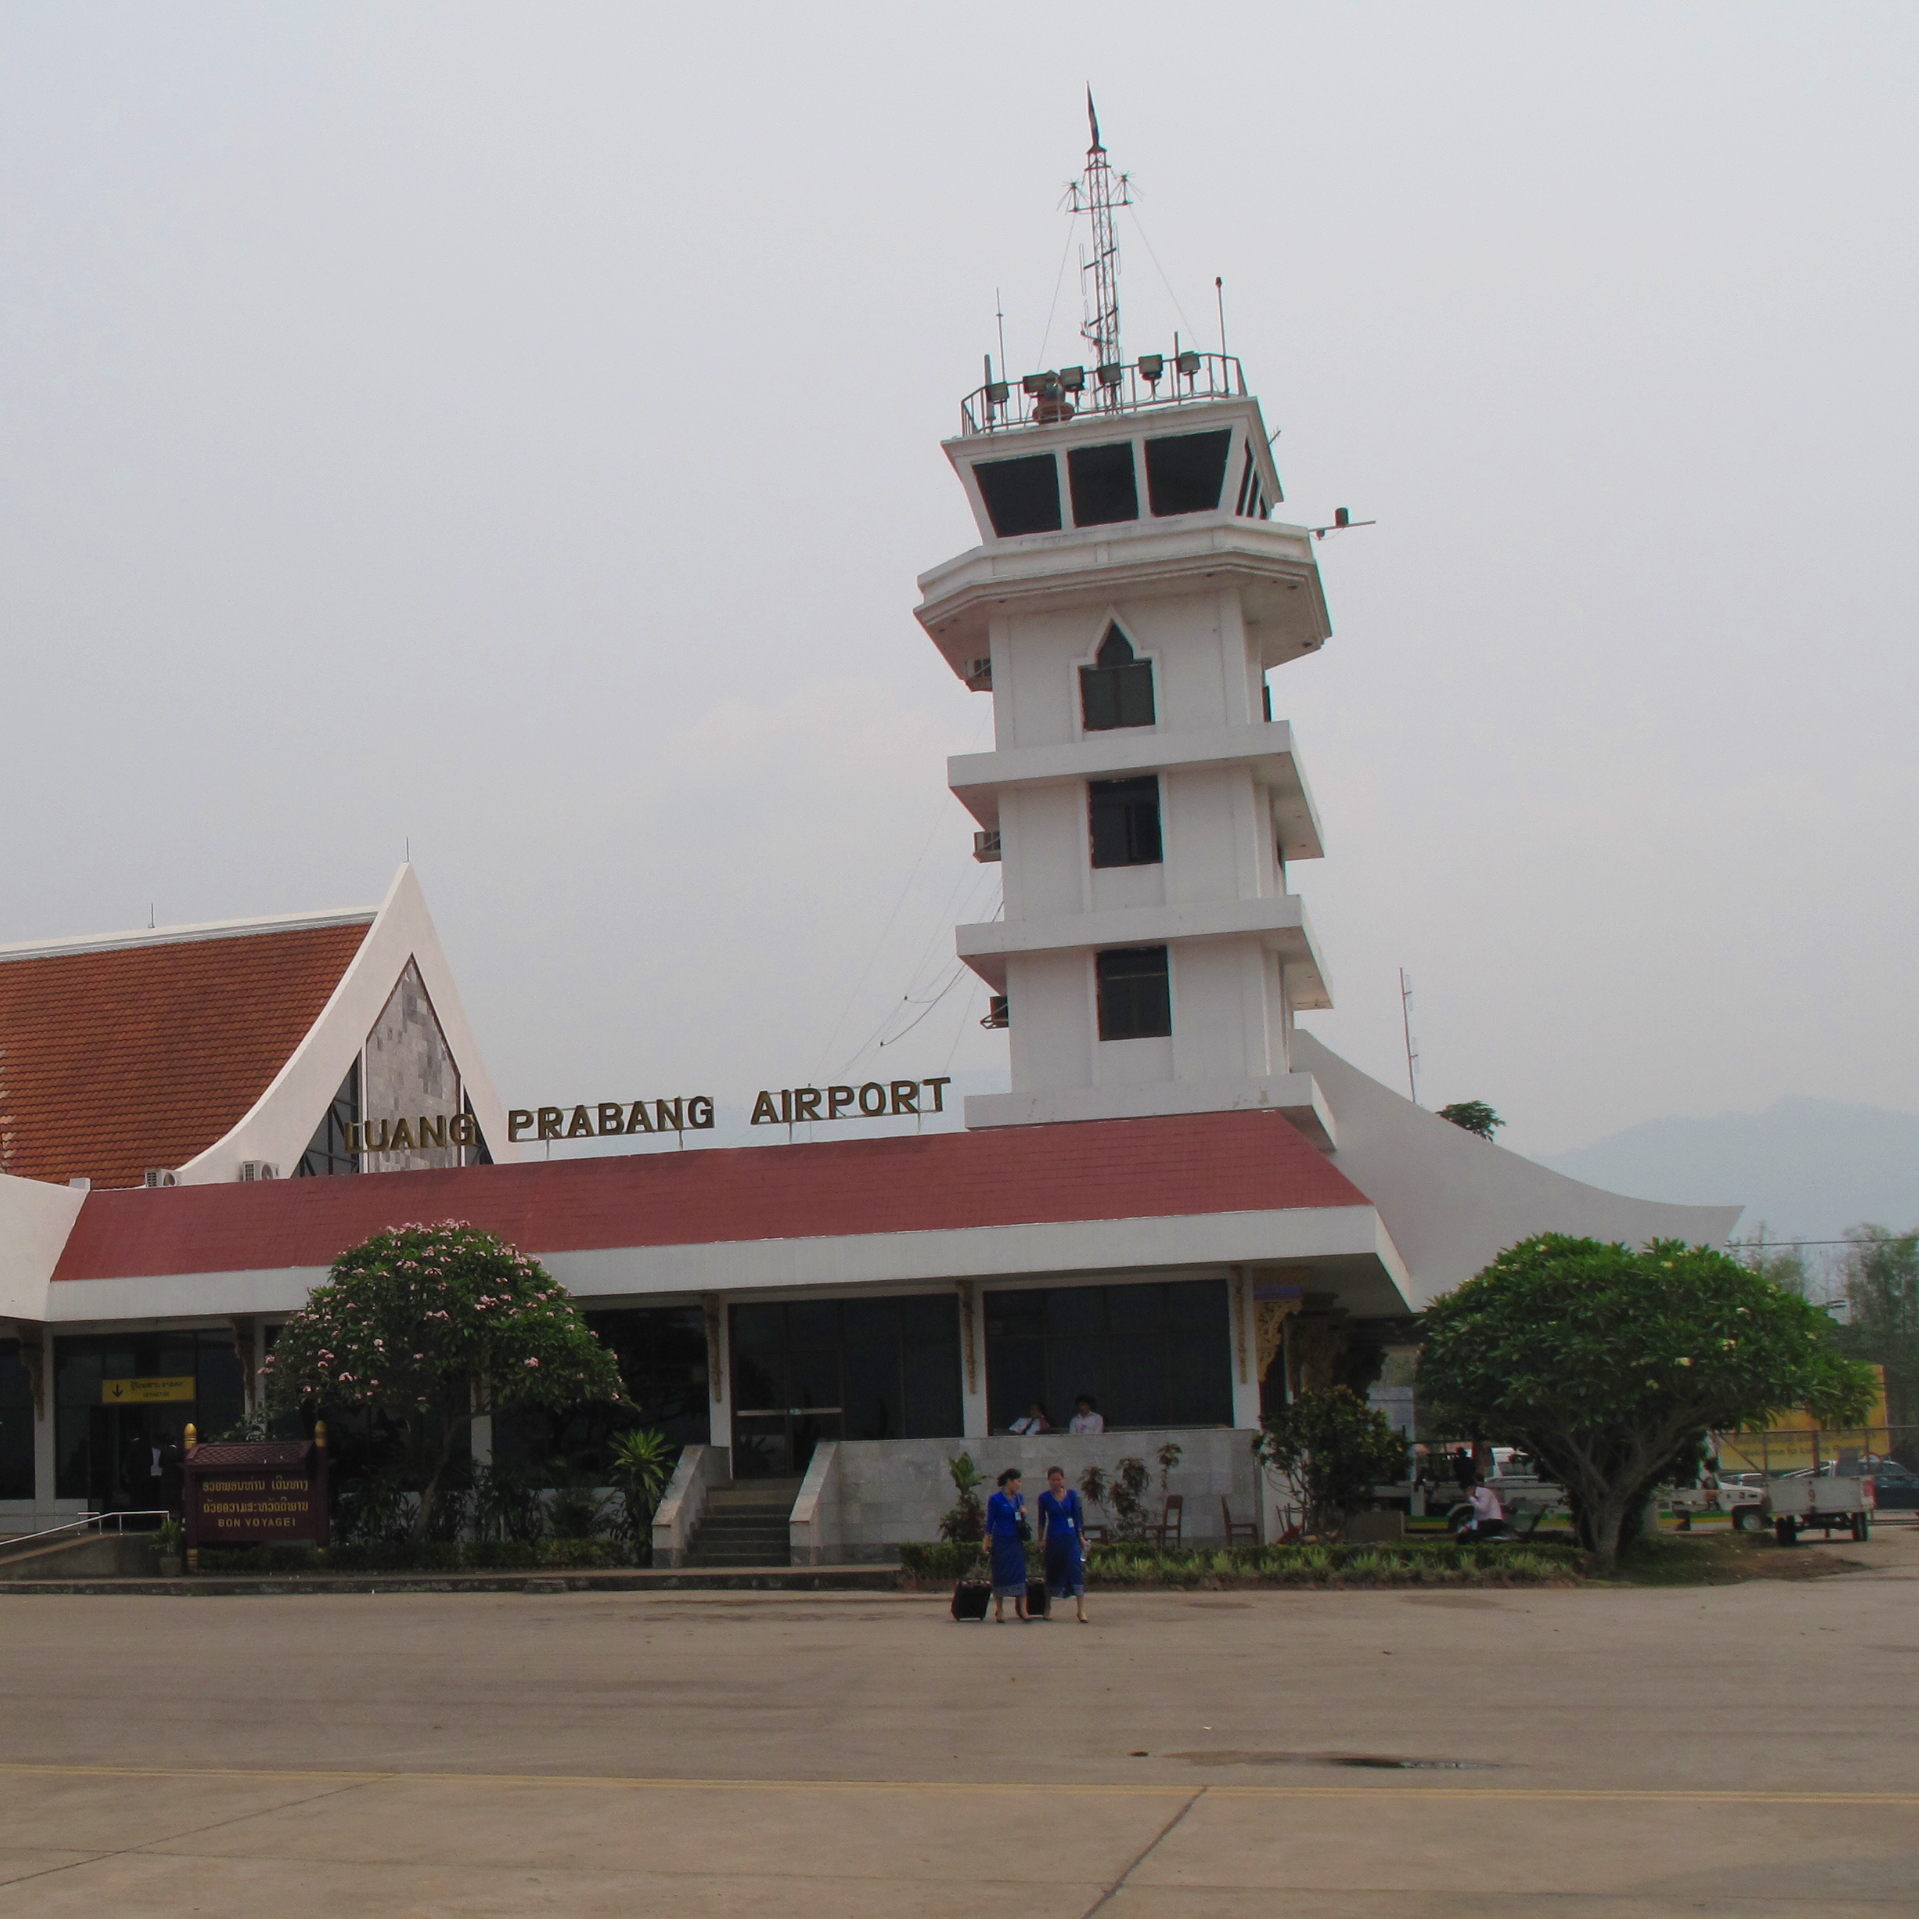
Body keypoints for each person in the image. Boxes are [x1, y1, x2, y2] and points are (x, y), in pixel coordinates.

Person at [1037, 1465, 1089, 1624]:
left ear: (1063, 1479)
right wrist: (1041, 1540)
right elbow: (1041, 1520)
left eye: (1058, 1479)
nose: (1056, 1482)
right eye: (1053, 1480)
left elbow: (1077, 1518)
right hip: (1054, 1538)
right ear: (1048, 1481)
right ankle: (1047, 1608)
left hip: (1070, 1538)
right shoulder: (1044, 1498)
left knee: (1075, 1570)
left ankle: (1081, 1610)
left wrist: (1081, 1538)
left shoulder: (1072, 1495)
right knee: (1052, 1571)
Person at [983, 1468, 1029, 1622]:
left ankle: (1023, 1608)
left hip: (1016, 1540)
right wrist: (987, 1541)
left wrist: (1023, 1513)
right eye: (1017, 1481)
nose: (1019, 1484)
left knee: (1020, 1572)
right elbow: (990, 1523)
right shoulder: (995, 1499)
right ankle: (1000, 1609)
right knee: (1001, 1573)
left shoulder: (1019, 1498)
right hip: (1001, 1540)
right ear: (1009, 1481)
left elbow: (1022, 1521)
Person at [1454, 1477, 1506, 1542]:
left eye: (1465, 1491)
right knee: (1462, 1537)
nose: (1465, 1494)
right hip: (1483, 1523)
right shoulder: (1475, 1497)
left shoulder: (1484, 1492)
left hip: (1493, 1522)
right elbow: (1477, 1516)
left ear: (1471, 1487)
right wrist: (1466, 1528)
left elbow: (1483, 1509)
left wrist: (1471, 1498)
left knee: (1472, 1537)